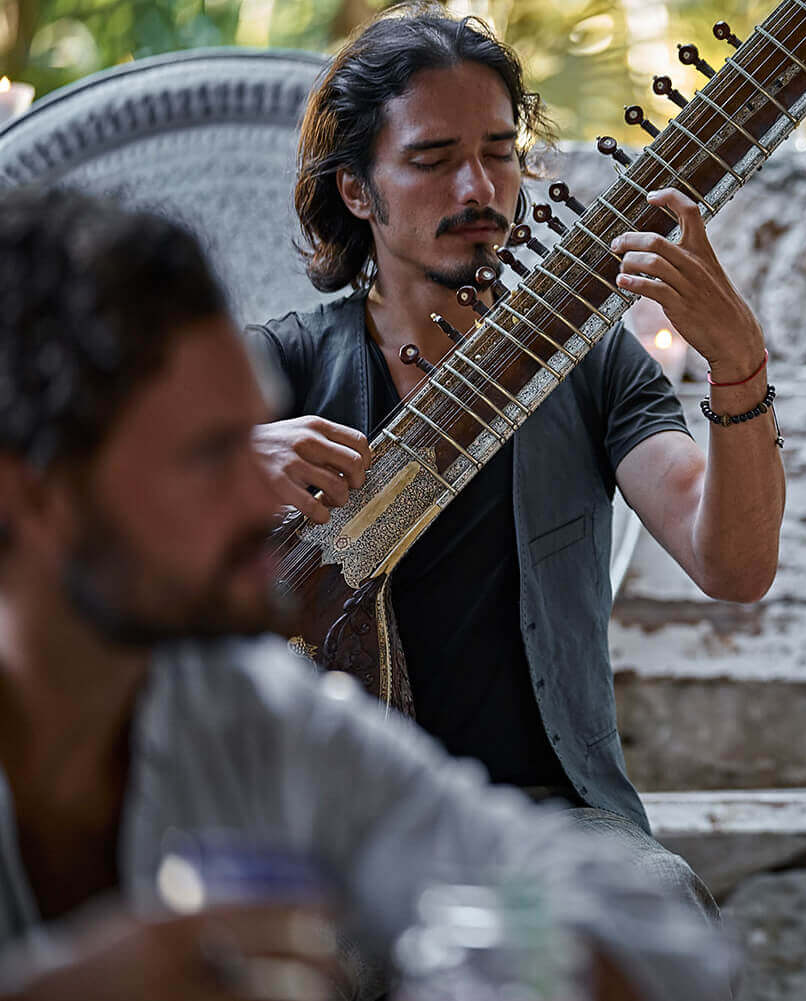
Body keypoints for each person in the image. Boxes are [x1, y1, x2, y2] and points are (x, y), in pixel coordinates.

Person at [0, 187, 729, 1001]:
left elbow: (634, 922)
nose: (258, 501)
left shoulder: (251, 716)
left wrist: (504, 952)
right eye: (211, 456)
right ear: (33, 501)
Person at [246, 3, 784, 916]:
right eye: (431, 159)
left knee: (654, 907)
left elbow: (732, 564)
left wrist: (740, 367)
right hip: (332, 835)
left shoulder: (592, 363)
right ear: (355, 192)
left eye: (499, 152)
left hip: (550, 825)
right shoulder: (284, 365)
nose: (479, 188)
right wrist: (226, 464)